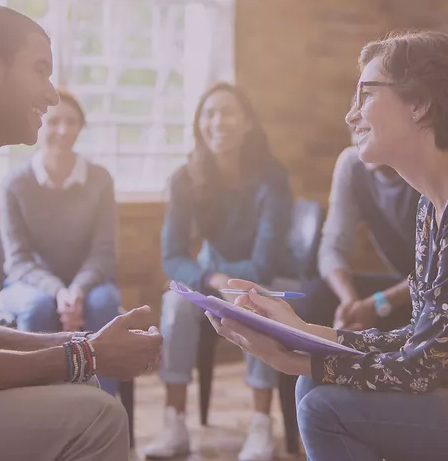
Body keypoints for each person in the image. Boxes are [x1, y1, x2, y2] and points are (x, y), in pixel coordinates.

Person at [207, 30, 448, 461]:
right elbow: (420, 341)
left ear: (419, 103)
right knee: (314, 386)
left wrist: (294, 358)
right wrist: (303, 332)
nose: (350, 115)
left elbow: (426, 368)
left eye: (366, 95)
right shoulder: (431, 211)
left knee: (321, 403)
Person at [0, 4, 162, 461]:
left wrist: (84, 345)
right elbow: (20, 262)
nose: (52, 97)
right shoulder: (3, 182)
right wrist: (85, 355)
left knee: (91, 391)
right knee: (100, 416)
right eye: (40, 71)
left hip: (75, 290)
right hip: (31, 292)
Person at [143, 82, 293, 461]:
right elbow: (172, 255)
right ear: (199, 125)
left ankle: (261, 424)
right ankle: (174, 421)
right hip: (210, 277)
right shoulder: (185, 179)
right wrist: (212, 279)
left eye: (227, 112)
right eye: (208, 114)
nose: (217, 121)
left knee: (253, 303)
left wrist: (223, 278)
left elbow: (264, 263)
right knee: (175, 305)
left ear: (246, 124)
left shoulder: (272, 180)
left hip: (261, 279)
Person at [0, 88, 122, 397]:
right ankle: (37, 405)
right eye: (54, 122)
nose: (63, 130)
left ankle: (103, 406)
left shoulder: (100, 179)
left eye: (71, 121)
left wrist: (76, 290)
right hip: (28, 285)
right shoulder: (14, 183)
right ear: (39, 123)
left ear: (81, 126)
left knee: (103, 303)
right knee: (38, 307)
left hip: (89, 283)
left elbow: (104, 252)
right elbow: (18, 260)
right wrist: (58, 291)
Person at [293, 139, 418, 332]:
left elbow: (439, 275)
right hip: (406, 287)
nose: (355, 123)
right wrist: (350, 302)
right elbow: (331, 249)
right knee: (313, 297)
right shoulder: (353, 164)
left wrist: (379, 303)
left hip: (438, 290)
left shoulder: (429, 164)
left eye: (369, 125)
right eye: (357, 127)